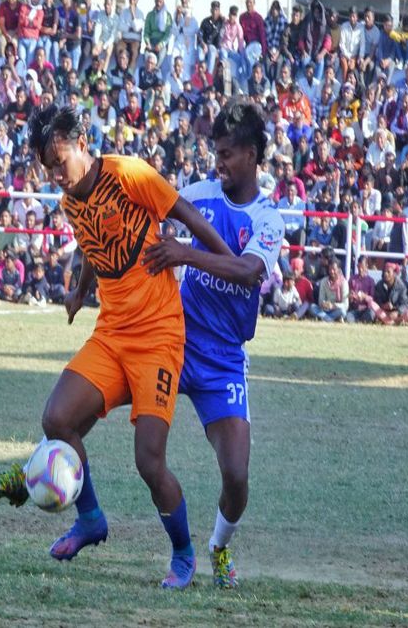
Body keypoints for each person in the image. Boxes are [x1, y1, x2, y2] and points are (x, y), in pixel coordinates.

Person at [0, 104, 233, 589]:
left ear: (82, 144)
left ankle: (183, 555)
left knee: (148, 460)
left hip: (158, 336)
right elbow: (93, 243)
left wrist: (225, 260)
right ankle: (91, 519)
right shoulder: (70, 201)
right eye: (47, 168)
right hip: (112, 333)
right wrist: (80, 289)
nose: (56, 175)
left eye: (60, 162)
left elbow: (185, 215)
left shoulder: (129, 174)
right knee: (57, 419)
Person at [139, 101, 284, 588]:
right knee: (107, 400)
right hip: (176, 342)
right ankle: (48, 454)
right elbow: (151, 213)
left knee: (237, 476)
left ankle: (219, 547)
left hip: (223, 361)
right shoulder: (198, 194)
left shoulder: (267, 218)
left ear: (251, 155)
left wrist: (186, 254)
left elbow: (248, 271)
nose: (217, 162)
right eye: (215, 152)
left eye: (226, 154)